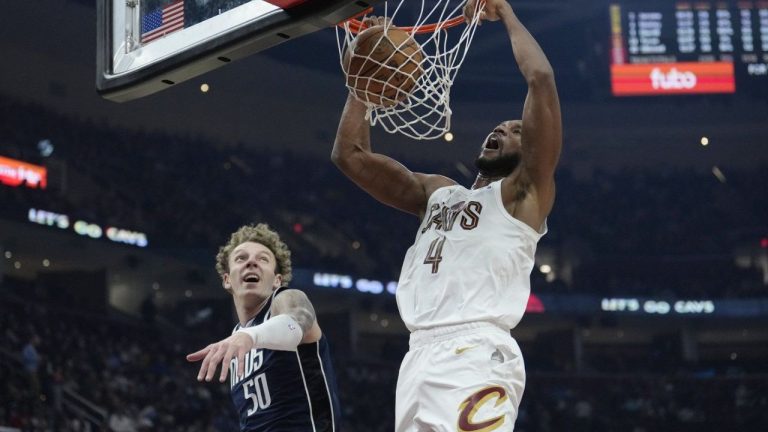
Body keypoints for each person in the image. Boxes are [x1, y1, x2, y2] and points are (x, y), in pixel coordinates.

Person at [331, 0, 562, 430]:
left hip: (476, 351)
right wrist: (364, 79)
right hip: (418, 355)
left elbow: (541, 79)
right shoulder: (435, 192)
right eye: (498, 127)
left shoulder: (523, 195)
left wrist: (507, 14)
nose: (501, 130)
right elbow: (350, 155)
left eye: (515, 130)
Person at [186, 223, 341, 431]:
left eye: (263, 259)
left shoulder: (286, 299)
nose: (251, 262)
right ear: (226, 280)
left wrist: (249, 336)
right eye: (241, 258)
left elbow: (297, 320)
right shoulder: (236, 339)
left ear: (277, 280)